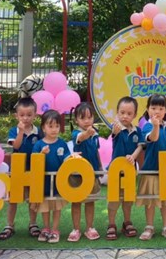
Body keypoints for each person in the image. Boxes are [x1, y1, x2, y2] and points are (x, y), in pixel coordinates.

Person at [0, 97, 42, 241]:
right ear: (17, 116)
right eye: (22, 115)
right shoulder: (14, 131)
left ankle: (33, 223)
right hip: (17, 170)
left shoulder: (39, 131)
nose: (26, 118)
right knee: (13, 198)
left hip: (34, 169)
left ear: (35, 115)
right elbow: (16, 146)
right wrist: (21, 132)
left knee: (33, 198)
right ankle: (9, 225)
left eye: (29, 115)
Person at [136, 94, 166, 241]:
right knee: (150, 201)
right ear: (148, 109)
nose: (157, 111)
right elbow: (153, 138)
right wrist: (155, 126)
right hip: (150, 170)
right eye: (153, 108)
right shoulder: (147, 126)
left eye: (161, 108)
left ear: (165, 110)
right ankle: (149, 227)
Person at [31, 109, 75, 243]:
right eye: (50, 126)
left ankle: (55, 229)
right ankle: (45, 228)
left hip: (58, 181)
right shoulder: (39, 144)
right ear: (43, 127)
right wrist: (41, 154)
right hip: (43, 181)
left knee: (57, 206)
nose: (54, 129)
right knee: (45, 205)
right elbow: (34, 161)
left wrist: (72, 157)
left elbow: (66, 158)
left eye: (57, 126)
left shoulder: (62, 143)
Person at [106, 96, 144, 240]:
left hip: (130, 171)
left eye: (129, 113)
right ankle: (111, 224)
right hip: (115, 171)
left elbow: (140, 146)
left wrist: (133, 156)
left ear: (134, 115)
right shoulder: (116, 128)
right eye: (122, 112)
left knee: (128, 199)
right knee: (114, 199)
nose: (125, 116)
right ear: (117, 112)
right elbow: (114, 133)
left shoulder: (137, 131)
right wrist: (115, 130)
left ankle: (127, 222)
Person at [68, 102, 103, 242]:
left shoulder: (95, 134)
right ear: (76, 120)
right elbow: (80, 138)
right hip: (77, 174)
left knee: (90, 202)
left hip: (92, 173)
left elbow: (96, 151)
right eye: (83, 118)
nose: (87, 121)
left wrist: (100, 167)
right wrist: (87, 133)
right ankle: (76, 228)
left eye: (90, 117)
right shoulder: (76, 133)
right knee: (76, 202)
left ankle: (90, 227)